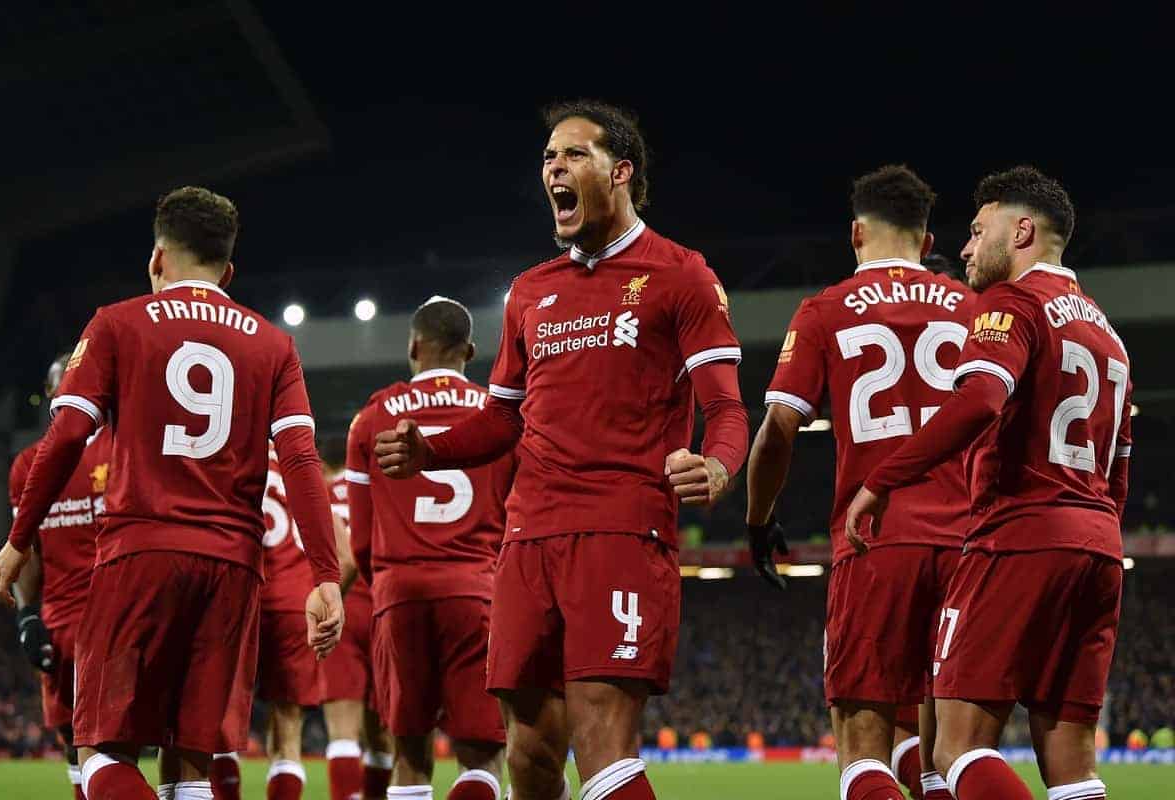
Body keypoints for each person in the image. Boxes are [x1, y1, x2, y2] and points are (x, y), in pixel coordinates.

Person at [374, 101, 749, 800]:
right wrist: (431, 450)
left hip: (620, 528)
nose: (555, 168)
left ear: (621, 172)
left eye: (574, 155)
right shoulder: (530, 292)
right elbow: (500, 423)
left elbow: (726, 406)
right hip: (526, 538)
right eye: (549, 157)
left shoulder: (679, 275)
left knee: (601, 740)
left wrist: (719, 462)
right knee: (529, 752)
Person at [0, 186, 344, 800]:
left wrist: (20, 538)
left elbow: (68, 432)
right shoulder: (272, 343)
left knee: (101, 751)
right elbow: (302, 459)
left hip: (142, 552)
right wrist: (325, 575)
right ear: (228, 271)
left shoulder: (118, 322)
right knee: (193, 767)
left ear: (156, 259)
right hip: (234, 569)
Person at [846, 166, 1131, 800]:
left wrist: (883, 480)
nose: (968, 248)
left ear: (1022, 230)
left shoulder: (1012, 303)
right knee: (1074, 767)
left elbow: (979, 399)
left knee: (956, 746)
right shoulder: (1107, 334)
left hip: (1020, 540)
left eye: (979, 231)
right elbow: (1120, 470)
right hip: (1100, 550)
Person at [747, 165, 974, 800]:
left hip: (874, 540)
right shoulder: (976, 308)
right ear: (928, 243)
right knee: (948, 756)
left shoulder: (825, 310)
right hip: (967, 547)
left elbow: (779, 430)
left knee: (861, 747)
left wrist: (759, 517)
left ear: (855, 233)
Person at [348, 296, 516, 800]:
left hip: (400, 594)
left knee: (410, 753)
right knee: (484, 755)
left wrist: (385, 584)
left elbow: (360, 539)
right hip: (477, 592)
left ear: (413, 346)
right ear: (470, 350)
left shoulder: (371, 417)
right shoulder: (500, 417)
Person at [212, 445, 358, 800]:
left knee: (218, 729)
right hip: (293, 605)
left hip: (235, 603)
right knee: (288, 734)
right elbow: (347, 557)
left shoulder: (223, 454)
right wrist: (323, 600)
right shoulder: (301, 464)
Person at [9, 352, 112, 800]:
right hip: (62, 623)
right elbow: (24, 548)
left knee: (115, 742)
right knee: (72, 741)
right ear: (50, 395)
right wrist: (28, 616)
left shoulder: (121, 446)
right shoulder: (27, 465)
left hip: (119, 616)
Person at [321, 452, 394, 800]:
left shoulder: (322, 492)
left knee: (342, 733)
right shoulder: (385, 488)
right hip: (385, 609)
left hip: (344, 607)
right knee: (383, 734)